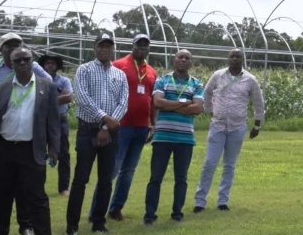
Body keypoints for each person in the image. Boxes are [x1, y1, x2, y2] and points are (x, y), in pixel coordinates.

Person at [0, 47, 60, 235]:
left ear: (32, 62)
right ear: (11, 64)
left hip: (31, 149)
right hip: (1, 150)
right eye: (17, 60)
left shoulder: (47, 87)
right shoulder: (0, 88)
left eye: (26, 59)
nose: (22, 63)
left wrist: (54, 149)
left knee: (37, 198)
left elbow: (53, 124)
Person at [0, 32, 48, 235]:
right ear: (1, 50)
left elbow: (49, 83)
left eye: (17, 45)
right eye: (8, 46)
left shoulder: (31, 66)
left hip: (24, 131)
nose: (12, 49)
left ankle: (25, 225)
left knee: (25, 184)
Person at [65, 33, 128, 235]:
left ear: (113, 49)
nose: (104, 49)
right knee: (81, 178)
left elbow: (123, 102)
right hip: (87, 130)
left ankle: (99, 223)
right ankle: (72, 226)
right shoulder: (84, 70)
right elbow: (82, 98)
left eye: (108, 46)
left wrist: (108, 125)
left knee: (106, 180)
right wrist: (103, 119)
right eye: (101, 46)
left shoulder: (120, 74)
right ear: (95, 48)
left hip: (110, 132)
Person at [89, 34, 157, 221]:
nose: (142, 48)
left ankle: (115, 208)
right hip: (121, 126)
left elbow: (152, 100)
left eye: (145, 46)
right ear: (132, 46)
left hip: (141, 127)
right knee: (112, 170)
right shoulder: (119, 65)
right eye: (139, 45)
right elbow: (107, 94)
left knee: (129, 171)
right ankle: (96, 212)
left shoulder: (151, 71)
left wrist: (153, 124)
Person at [193, 48, 265, 213]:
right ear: (228, 59)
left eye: (238, 56)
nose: (234, 59)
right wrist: (209, 109)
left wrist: (257, 124)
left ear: (242, 59)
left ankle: (223, 200)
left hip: (237, 127)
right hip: (217, 126)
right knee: (210, 163)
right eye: (232, 56)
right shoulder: (218, 75)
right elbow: (207, 92)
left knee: (229, 165)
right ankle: (200, 201)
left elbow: (258, 102)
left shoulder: (250, 79)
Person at [143, 49, 204, 224]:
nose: (183, 60)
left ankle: (177, 214)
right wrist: (185, 102)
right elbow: (157, 102)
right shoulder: (162, 80)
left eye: (187, 58)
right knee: (155, 178)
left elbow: (198, 108)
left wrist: (170, 105)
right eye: (180, 57)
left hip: (185, 139)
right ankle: (149, 215)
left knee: (181, 178)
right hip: (162, 137)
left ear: (191, 63)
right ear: (174, 60)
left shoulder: (197, 83)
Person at [38, 53, 74, 196]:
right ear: (43, 66)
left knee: (64, 154)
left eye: (53, 63)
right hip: (42, 120)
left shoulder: (64, 80)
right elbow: (35, 100)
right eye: (48, 63)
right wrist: (58, 97)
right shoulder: (38, 80)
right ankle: (39, 186)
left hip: (60, 119)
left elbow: (68, 97)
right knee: (39, 153)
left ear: (57, 66)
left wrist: (46, 100)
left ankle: (64, 188)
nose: (50, 65)